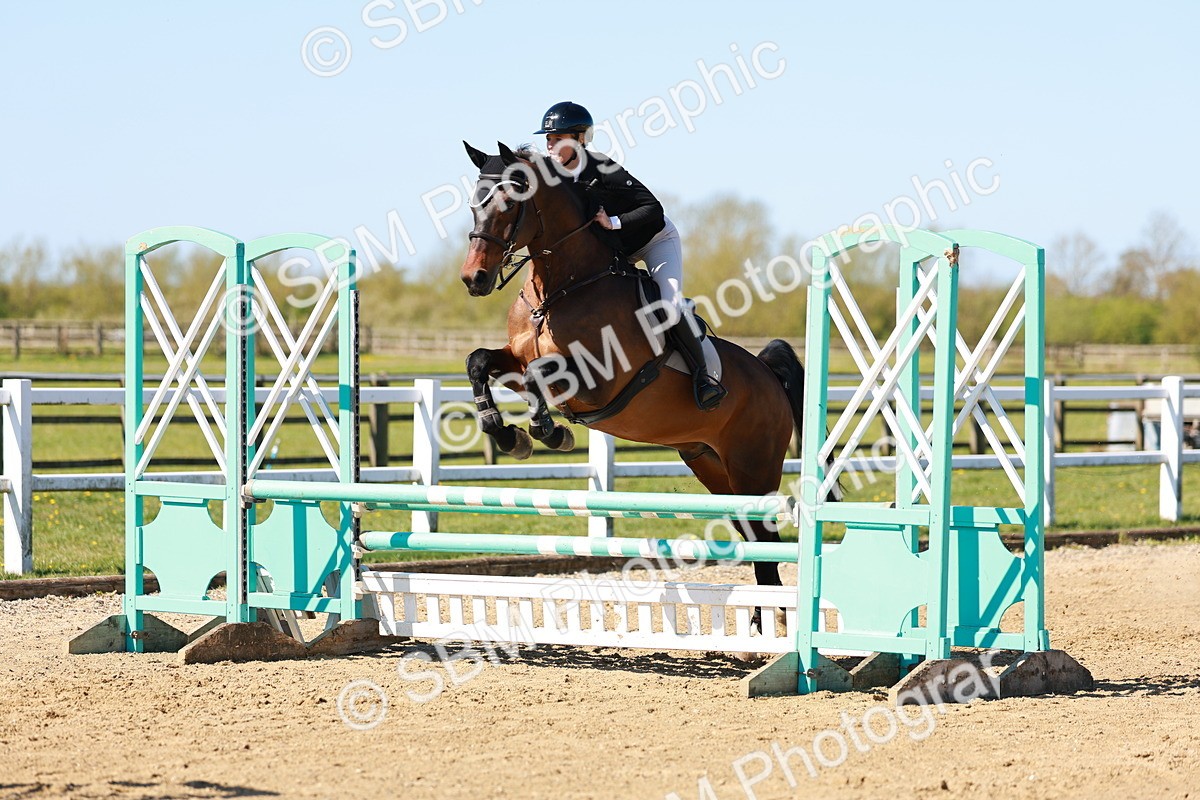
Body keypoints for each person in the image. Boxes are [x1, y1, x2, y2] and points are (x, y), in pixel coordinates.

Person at [534, 100, 727, 411]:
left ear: (580, 140)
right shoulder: (552, 177)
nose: (551, 146)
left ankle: (705, 378)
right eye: (548, 139)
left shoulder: (603, 168)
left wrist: (613, 222)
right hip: (615, 249)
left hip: (654, 239)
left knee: (669, 305)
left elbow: (653, 209)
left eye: (558, 139)